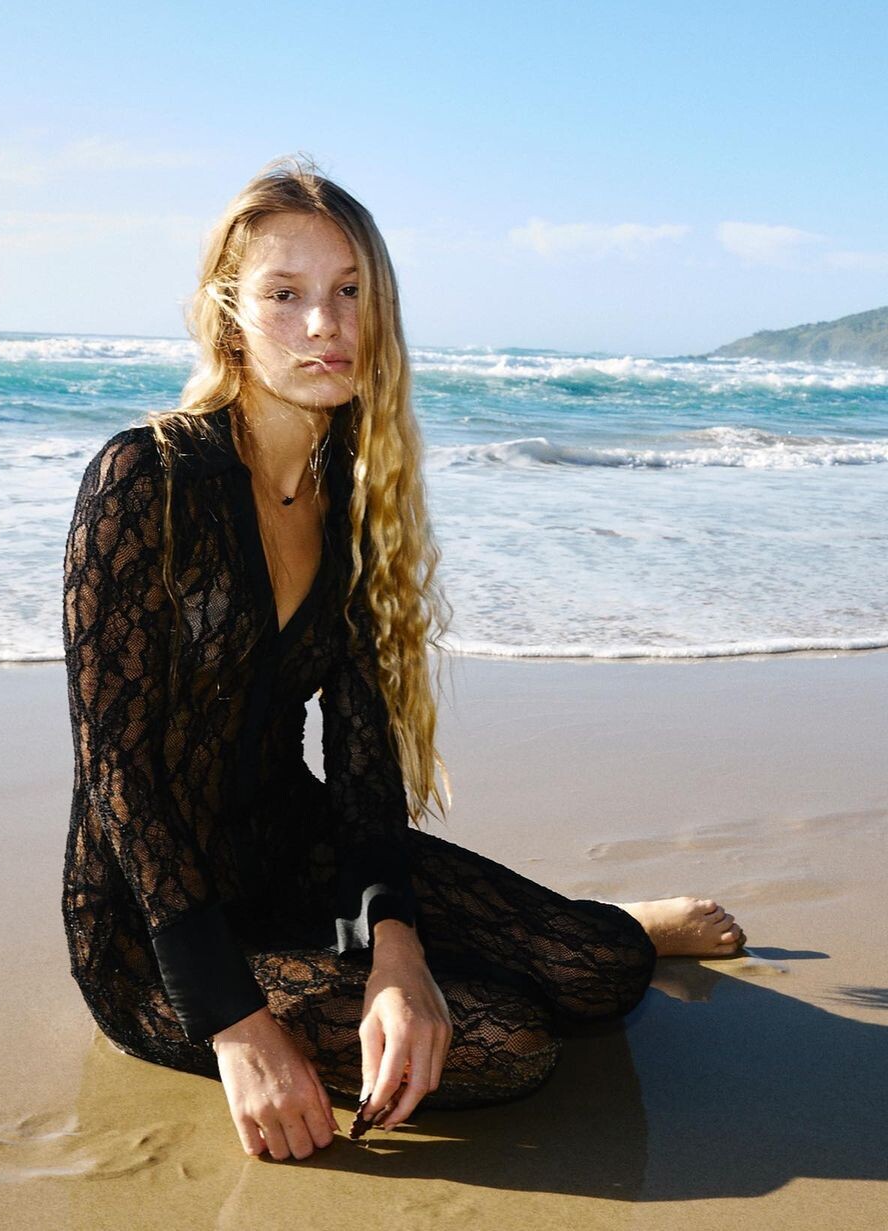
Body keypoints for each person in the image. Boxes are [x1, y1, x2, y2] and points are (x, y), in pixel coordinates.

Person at [61, 155, 745, 1163]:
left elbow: (362, 758)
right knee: (511, 1041)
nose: (324, 324)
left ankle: (605, 921)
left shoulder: (354, 496)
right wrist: (237, 1023)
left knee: (599, 967)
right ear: (230, 315)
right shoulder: (144, 481)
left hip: (296, 857)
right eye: (285, 295)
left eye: (349, 292)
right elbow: (118, 774)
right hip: (151, 921)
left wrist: (396, 946)